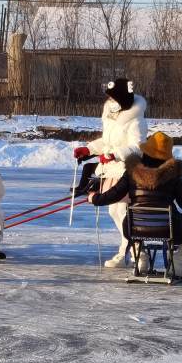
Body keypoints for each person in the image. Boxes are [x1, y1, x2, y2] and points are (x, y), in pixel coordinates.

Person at [89, 132, 182, 279]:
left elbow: (113, 194)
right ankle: (179, 264)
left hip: (135, 228)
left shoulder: (131, 171)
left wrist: (94, 198)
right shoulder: (173, 174)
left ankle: (140, 260)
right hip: (169, 228)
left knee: (129, 218)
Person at [72, 78, 148, 269]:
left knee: (122, 211)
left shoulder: (135, 119)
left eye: (113, 97)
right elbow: (107, 141)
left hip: (127, 170)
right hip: (111, 170)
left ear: (122, 98)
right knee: (114, 210)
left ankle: (139, 253)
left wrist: (115, 154)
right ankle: (128, 252)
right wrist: (89, 149)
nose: (110, 100)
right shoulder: (112, 114)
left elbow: (138, 147)